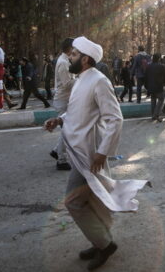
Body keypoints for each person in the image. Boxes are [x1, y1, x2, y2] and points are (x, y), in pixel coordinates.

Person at [43, 36, 149, 271]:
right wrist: (59, 119)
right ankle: (99, 240)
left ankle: (105, 244)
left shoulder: (99, 81)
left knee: (73, 202)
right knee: (94, 200)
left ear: (85, 58)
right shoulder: (81, 79)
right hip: (80, 152)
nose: (69, 57)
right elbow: (78, 113)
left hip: (90, 155)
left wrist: (102, 153)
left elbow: (115, 118)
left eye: (73, 54)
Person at [50, 37, 76, 171]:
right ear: (70, 48)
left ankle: (56, 151)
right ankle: (61, 159)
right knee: (67, 130)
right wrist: (83, 79)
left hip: (65, 99)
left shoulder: (65, 61)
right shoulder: (63, 63)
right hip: (63, 99)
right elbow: (67, 84)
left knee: (67, 129)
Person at [145, 53, 165, 122]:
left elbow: (146, 77)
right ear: (159, 59)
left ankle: (153, 115)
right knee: (161, 100)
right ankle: (156, 115)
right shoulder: (162, 66)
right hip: (159, 86)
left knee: (153, 100)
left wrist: (147, 86)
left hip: (150, 87)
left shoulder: (148, 66)